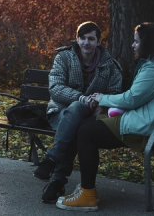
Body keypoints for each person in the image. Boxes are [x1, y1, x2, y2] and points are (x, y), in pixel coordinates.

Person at [56, 22, 154, 212]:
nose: (133, 46)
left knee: (86, 132)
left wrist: (103, 98)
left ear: (148, 44)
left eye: (136, 42)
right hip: (149, 121)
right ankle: (81, 187)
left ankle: (87, 194)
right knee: (85, 126)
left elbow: (132, 98)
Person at [35, 21, 123, 203]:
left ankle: (53, 162)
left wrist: (103, 105)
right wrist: (82, 98)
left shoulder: (110, 65)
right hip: (60, 112)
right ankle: (57, 181)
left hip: (92, 116)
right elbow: (56, 89)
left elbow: (115, 93)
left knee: (78, 126)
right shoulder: (64, 57)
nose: (86, 43)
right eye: (82, 38)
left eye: (91, 39)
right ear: (77, 39)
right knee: (76, 117)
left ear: (99, 42)